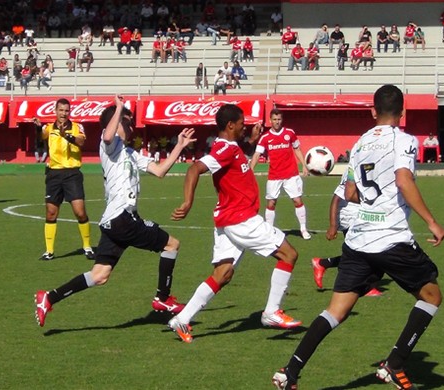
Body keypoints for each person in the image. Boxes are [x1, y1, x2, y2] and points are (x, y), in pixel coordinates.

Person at [272, 84, 444, 390]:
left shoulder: (361, 143)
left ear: (373, 112)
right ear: (403, 112)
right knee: (431, 295)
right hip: (390, 237)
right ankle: (394, 364)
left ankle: (290, 372)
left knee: (335, 311)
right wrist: (431, 221)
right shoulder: (405, 140)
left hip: (358, 240)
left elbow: (350, 193)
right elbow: (404, 180)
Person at [34, 97, 196, 328]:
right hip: (122, 218)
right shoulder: (109, 144)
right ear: (116, 121)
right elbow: (109, 135)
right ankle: (162, 298)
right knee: (172, 245)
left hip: (113, 221)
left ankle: (49, 298)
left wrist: (179, 146)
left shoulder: (129, 152)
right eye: (127, 123)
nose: (131, 128)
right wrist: (119, 108)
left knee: (99, 275)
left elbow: (159, 171)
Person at [167, 104, 302, 344]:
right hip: (241, 218)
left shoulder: (230, 147)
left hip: (229, 219)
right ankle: (271, 312)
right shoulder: (223, 149)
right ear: (230, 125)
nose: (244, 126)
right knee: (289, 254)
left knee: (223, 273)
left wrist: (251, 140)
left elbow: (235, 156)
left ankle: (182, 319)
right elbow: (194, 169)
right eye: (241, 123)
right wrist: (187, 202)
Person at [34, 98, 94, 261]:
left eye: (66, 110)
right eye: (61, 110)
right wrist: (38, 128)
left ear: (69, 112)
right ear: (55, 111)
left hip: (72, 173)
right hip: (53, 174)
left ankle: (87, 247)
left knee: (80, 212)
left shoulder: (76, 127)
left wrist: (66, 136)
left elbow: (81, 141)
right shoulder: (49, 128)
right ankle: (49, 251)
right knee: (51, 213)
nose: (63, 113)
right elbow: (40, 138)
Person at [311, 168, 382, 296]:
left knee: (366, 251)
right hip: (349, 215)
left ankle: (323, 263)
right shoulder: (353, 169)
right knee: (363, 252)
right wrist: (333, 225)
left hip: (364, 214)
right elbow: (336, 198)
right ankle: (366, 286)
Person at [250, 108, 311, 240]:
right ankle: (269, 231)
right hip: (274, 176)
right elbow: (257, 154)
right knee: (271, 203)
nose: (277, 122)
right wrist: (251, 170)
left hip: (291, 174)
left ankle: (303, 229)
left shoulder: (290, 133)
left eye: (279, 119)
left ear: (282, 120)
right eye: (274, 120)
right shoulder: (265, 138)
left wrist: (304, 165)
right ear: (270, 121)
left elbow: (297, 149)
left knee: (297, 200)